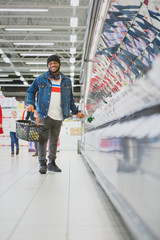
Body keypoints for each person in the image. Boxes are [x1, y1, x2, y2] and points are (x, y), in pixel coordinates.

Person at [26, 55, 84, 174]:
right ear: (48, 65)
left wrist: (76, 112)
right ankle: (42, 163)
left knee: (54, 139)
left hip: (59, 115)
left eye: (55, 63)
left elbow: (70, 99)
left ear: (59, 64)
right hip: (43, 114)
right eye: (50, 63)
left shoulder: (66, 80)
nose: (53, 65)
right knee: (42, 139)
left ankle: (52, 163)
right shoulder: (41, 79)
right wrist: (30, 103)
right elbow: (31, 91)